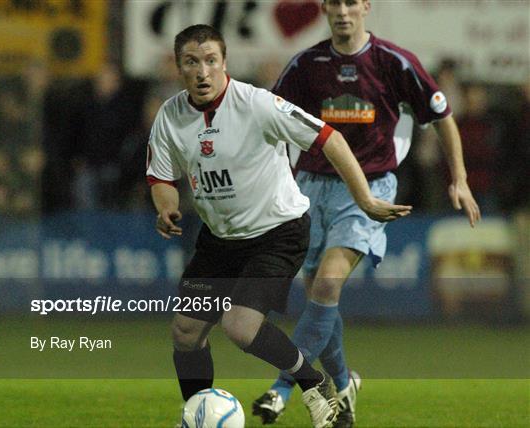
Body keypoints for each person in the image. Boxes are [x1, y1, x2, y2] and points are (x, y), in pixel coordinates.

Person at [146, 24, 411, 428]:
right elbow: (161, 177)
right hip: (220, 240)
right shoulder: (170, 115)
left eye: (211, 61)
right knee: (185, 331)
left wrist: (365, 199)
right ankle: (198, 416)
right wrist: (166, 208)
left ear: (224, 63)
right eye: (192, 62)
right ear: (179, 67)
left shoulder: (258, 104)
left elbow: (330, 138)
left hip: (277, 232)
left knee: (240, 326)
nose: (202, 71)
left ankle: (313, 382)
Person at [253, 1, 481, 427]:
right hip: (311, 189)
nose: (343, 11)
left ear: (366, 7)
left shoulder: (394, 62)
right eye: (334, 2)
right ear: (323, 8)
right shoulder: (306, 65)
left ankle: (282, 387)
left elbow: (442, 116)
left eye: (351, 2)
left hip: (372, 188)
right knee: (321, 299)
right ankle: (343, 385)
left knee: (328, 282)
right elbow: (268, 120)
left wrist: (460, 178)